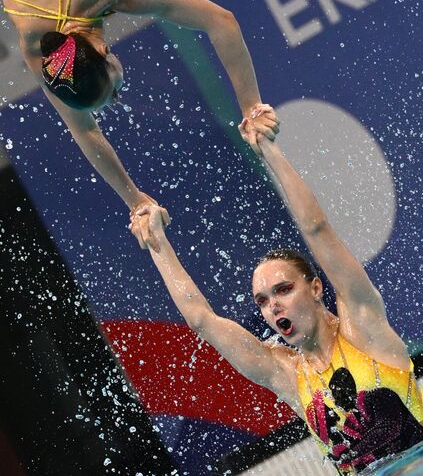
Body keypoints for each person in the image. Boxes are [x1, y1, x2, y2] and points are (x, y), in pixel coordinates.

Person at [130, 109, 423, 475]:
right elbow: (202, 321)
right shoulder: (286, 373)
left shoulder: (363, 328)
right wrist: (157, 242)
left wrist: (268, 148)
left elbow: (317, 230)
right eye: (263, 301)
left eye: (283, 289)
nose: (273, 307)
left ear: (315, 288)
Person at [0, 0, 279, 242]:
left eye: (115, 90)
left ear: (104, 52)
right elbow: (84, 129)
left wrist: (251, 107)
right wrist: (133, 199)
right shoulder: (38, 45)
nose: (119, 98)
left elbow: (221, 21)